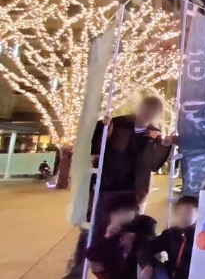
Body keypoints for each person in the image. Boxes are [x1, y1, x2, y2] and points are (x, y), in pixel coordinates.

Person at [64, 97, 173, 279]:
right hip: (106, 184)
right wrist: (103, 129)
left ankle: (121, 270)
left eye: (153, 111)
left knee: (127, 231)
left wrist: (164, 145)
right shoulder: (118, 123)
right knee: (92, 229)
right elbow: (98, 147)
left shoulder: (154, 133)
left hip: (132, 191)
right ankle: (77, 271)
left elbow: (154, 163)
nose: (148, 114)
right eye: (146, 109)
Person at [85, 191, 157, 279]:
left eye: (125, 210)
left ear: (135, 211)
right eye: (117, 212)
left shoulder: (145, 223)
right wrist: (107, 237)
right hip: (116, 273)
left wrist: (136, 238)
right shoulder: (105, 229)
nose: (121, 215)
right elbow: (91, 254)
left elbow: (154, 244)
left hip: (141, 271)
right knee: (95, 260)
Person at [138, 196, 199, 279]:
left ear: (198, 213)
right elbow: (145, 249)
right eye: (179, 213)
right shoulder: (171, 234)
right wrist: (147, 266)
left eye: (188, 213)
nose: (183, 217)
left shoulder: (203, 235)